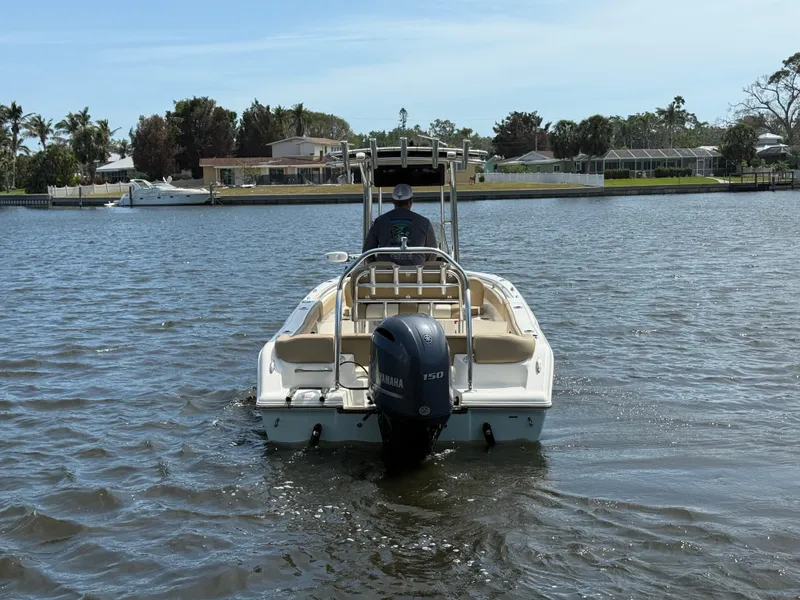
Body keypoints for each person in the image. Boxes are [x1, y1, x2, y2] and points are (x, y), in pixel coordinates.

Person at [363, 183, 438, 265]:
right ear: (411, 201)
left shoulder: (379, 222)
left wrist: (376, 266)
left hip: (385, 275)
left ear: (393, 201)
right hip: (417, 275)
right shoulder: (424, 222)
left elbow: (367, 251)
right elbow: (432, 253)